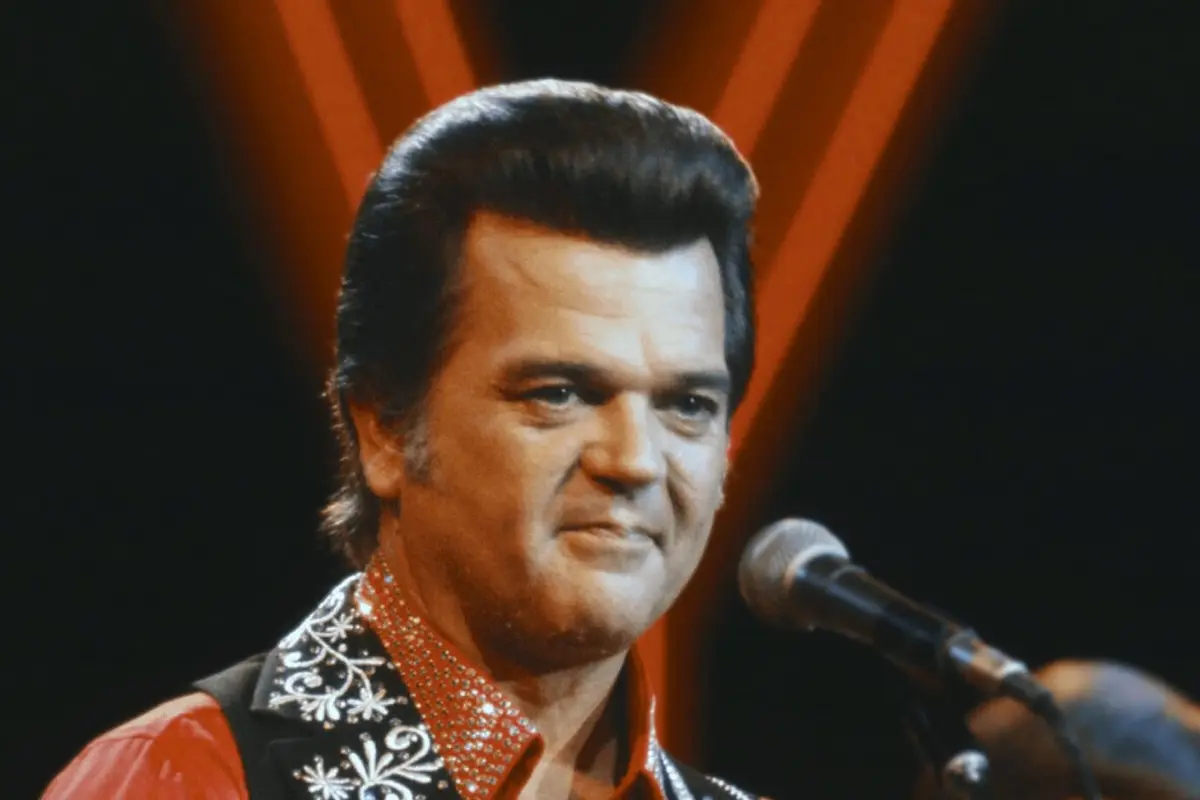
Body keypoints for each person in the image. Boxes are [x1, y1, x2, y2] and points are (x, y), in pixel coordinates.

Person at [44, 79, 764, 799]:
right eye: (559, 394)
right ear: (385, 428)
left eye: (687, 405)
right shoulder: (180, 779)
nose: (633, 460)